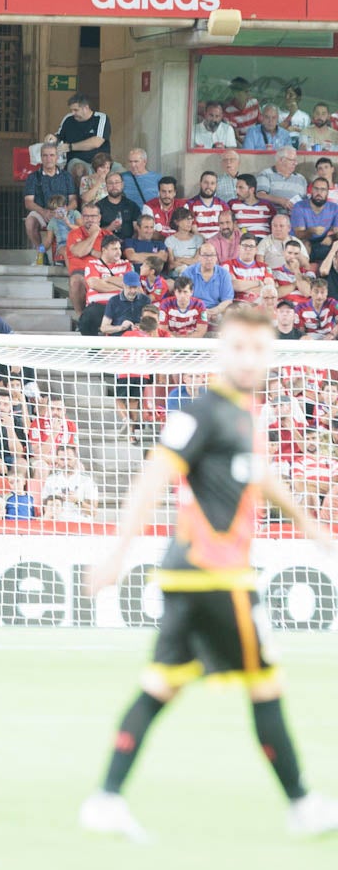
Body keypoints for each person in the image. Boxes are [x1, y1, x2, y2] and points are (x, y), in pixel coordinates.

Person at [81, 308, 338, 841]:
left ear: (270, 355)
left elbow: (261, 479)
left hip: (191, 579)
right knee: (266, 686)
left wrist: (312, 528)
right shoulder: (203, 412)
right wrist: (118, 553)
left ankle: (105, 799)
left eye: (259, 349)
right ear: (221, 350)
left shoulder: (245, 414)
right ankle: (303, 804)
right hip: (218, 576)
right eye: (238, 347)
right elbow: (153, 476)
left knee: (159, 688)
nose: (248, 359)